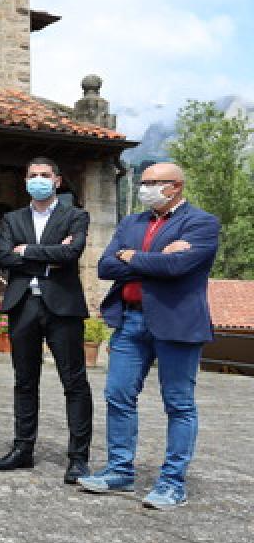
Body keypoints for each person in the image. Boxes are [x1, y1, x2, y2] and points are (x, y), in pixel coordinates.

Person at [79, 162, 220, 509]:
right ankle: (119, 470)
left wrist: (134, 257)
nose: (145, 189)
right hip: (130, 322)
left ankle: (173, 483)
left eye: (153, 183)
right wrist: (152, 258)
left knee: (178, 403)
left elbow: (178, 267)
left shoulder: (201, 223)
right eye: (142, 183)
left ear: (175, 187)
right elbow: (105, 266)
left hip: (177, 324)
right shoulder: (132, 222)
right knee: (118, 395)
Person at [0, 157, 93, 484]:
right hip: (24, 306)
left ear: (57, 181)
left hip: (62, 306)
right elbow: (3, 257)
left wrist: (27, 251)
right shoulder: (12, 218)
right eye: (32, 175)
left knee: (73, 382)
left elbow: (71, 254)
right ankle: (23, 449)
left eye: (44, 175)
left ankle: (78, 458)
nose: (38, 180)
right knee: (24, 381)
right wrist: (48, 253)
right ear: (25, 180)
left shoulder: (75, 215)